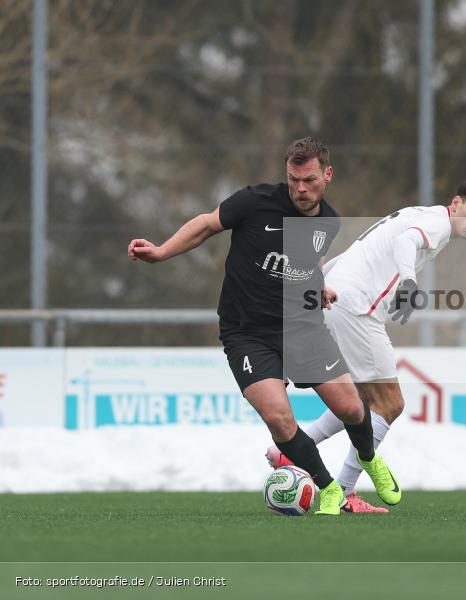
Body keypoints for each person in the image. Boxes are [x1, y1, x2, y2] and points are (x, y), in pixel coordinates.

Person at [128, 137, 400, 515]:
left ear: (327, 175)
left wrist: (319, 286)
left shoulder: (330, 221)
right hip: (247, 332)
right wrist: (160, 252)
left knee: (352, 408)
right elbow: (205, 225)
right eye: (293, 180)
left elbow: (309, 261)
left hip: (302, 326)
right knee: (278, 418)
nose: (300, 188)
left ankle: (369, 458)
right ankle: (329, 489)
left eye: (309, 180)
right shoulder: (254, 202)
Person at [266, 177, 466, 512]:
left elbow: (356, 252)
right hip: (357, 309)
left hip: (339, 300)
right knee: (390, 403)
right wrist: (409, 281)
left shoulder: (417, 213)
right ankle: (345, 492)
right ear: (455, 203)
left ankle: (287, 452)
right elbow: (406, 242)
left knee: (360, 399)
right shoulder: (437, 224)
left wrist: (318, 287)